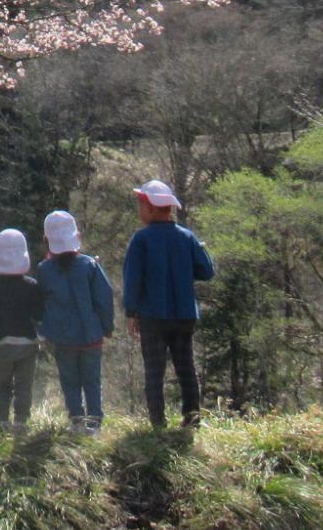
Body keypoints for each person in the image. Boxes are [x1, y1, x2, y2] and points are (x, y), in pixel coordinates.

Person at [122, 179, 216, 429]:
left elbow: (133, 279)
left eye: (141, 205)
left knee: (154, 371)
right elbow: (206, 271)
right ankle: (192, 419)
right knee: (186, 367)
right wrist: (201, 250)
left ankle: (158, 423)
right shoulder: (187, 237)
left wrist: (130, 312)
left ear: (151, 208)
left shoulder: (141, 240)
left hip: (153, 316)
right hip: (185, 315)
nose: (139, 211)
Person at [37, 209, 115, 433]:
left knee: (69, 380)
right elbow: (104, 297)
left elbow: (42, 302)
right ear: (76, 237)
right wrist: (107, 327)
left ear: (47, 241)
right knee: (92, 380)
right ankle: (95, 422)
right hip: (91, 335)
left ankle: (77, 419)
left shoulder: (45, 270)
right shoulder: (90, 265)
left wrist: (45, 330)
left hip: (62, 338)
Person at [0, 228, 43, 429]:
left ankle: (1, 421)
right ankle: (21, 421)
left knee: (2, 385)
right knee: (23, 386)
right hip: (27, 342)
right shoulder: (32, 285)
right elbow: (38, 314)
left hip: (0, 343)